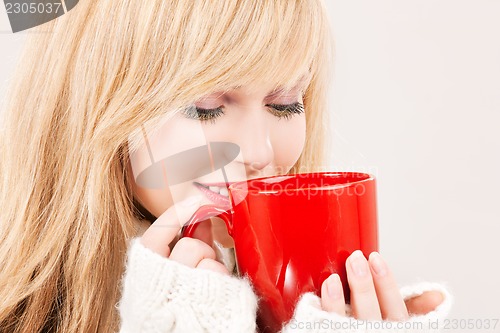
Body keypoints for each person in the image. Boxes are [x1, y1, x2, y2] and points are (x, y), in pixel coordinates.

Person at [0, 0, 452, 332]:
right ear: (89, 109)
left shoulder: (335, 309)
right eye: (207, 108)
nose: (258, 152)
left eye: (286, 103)